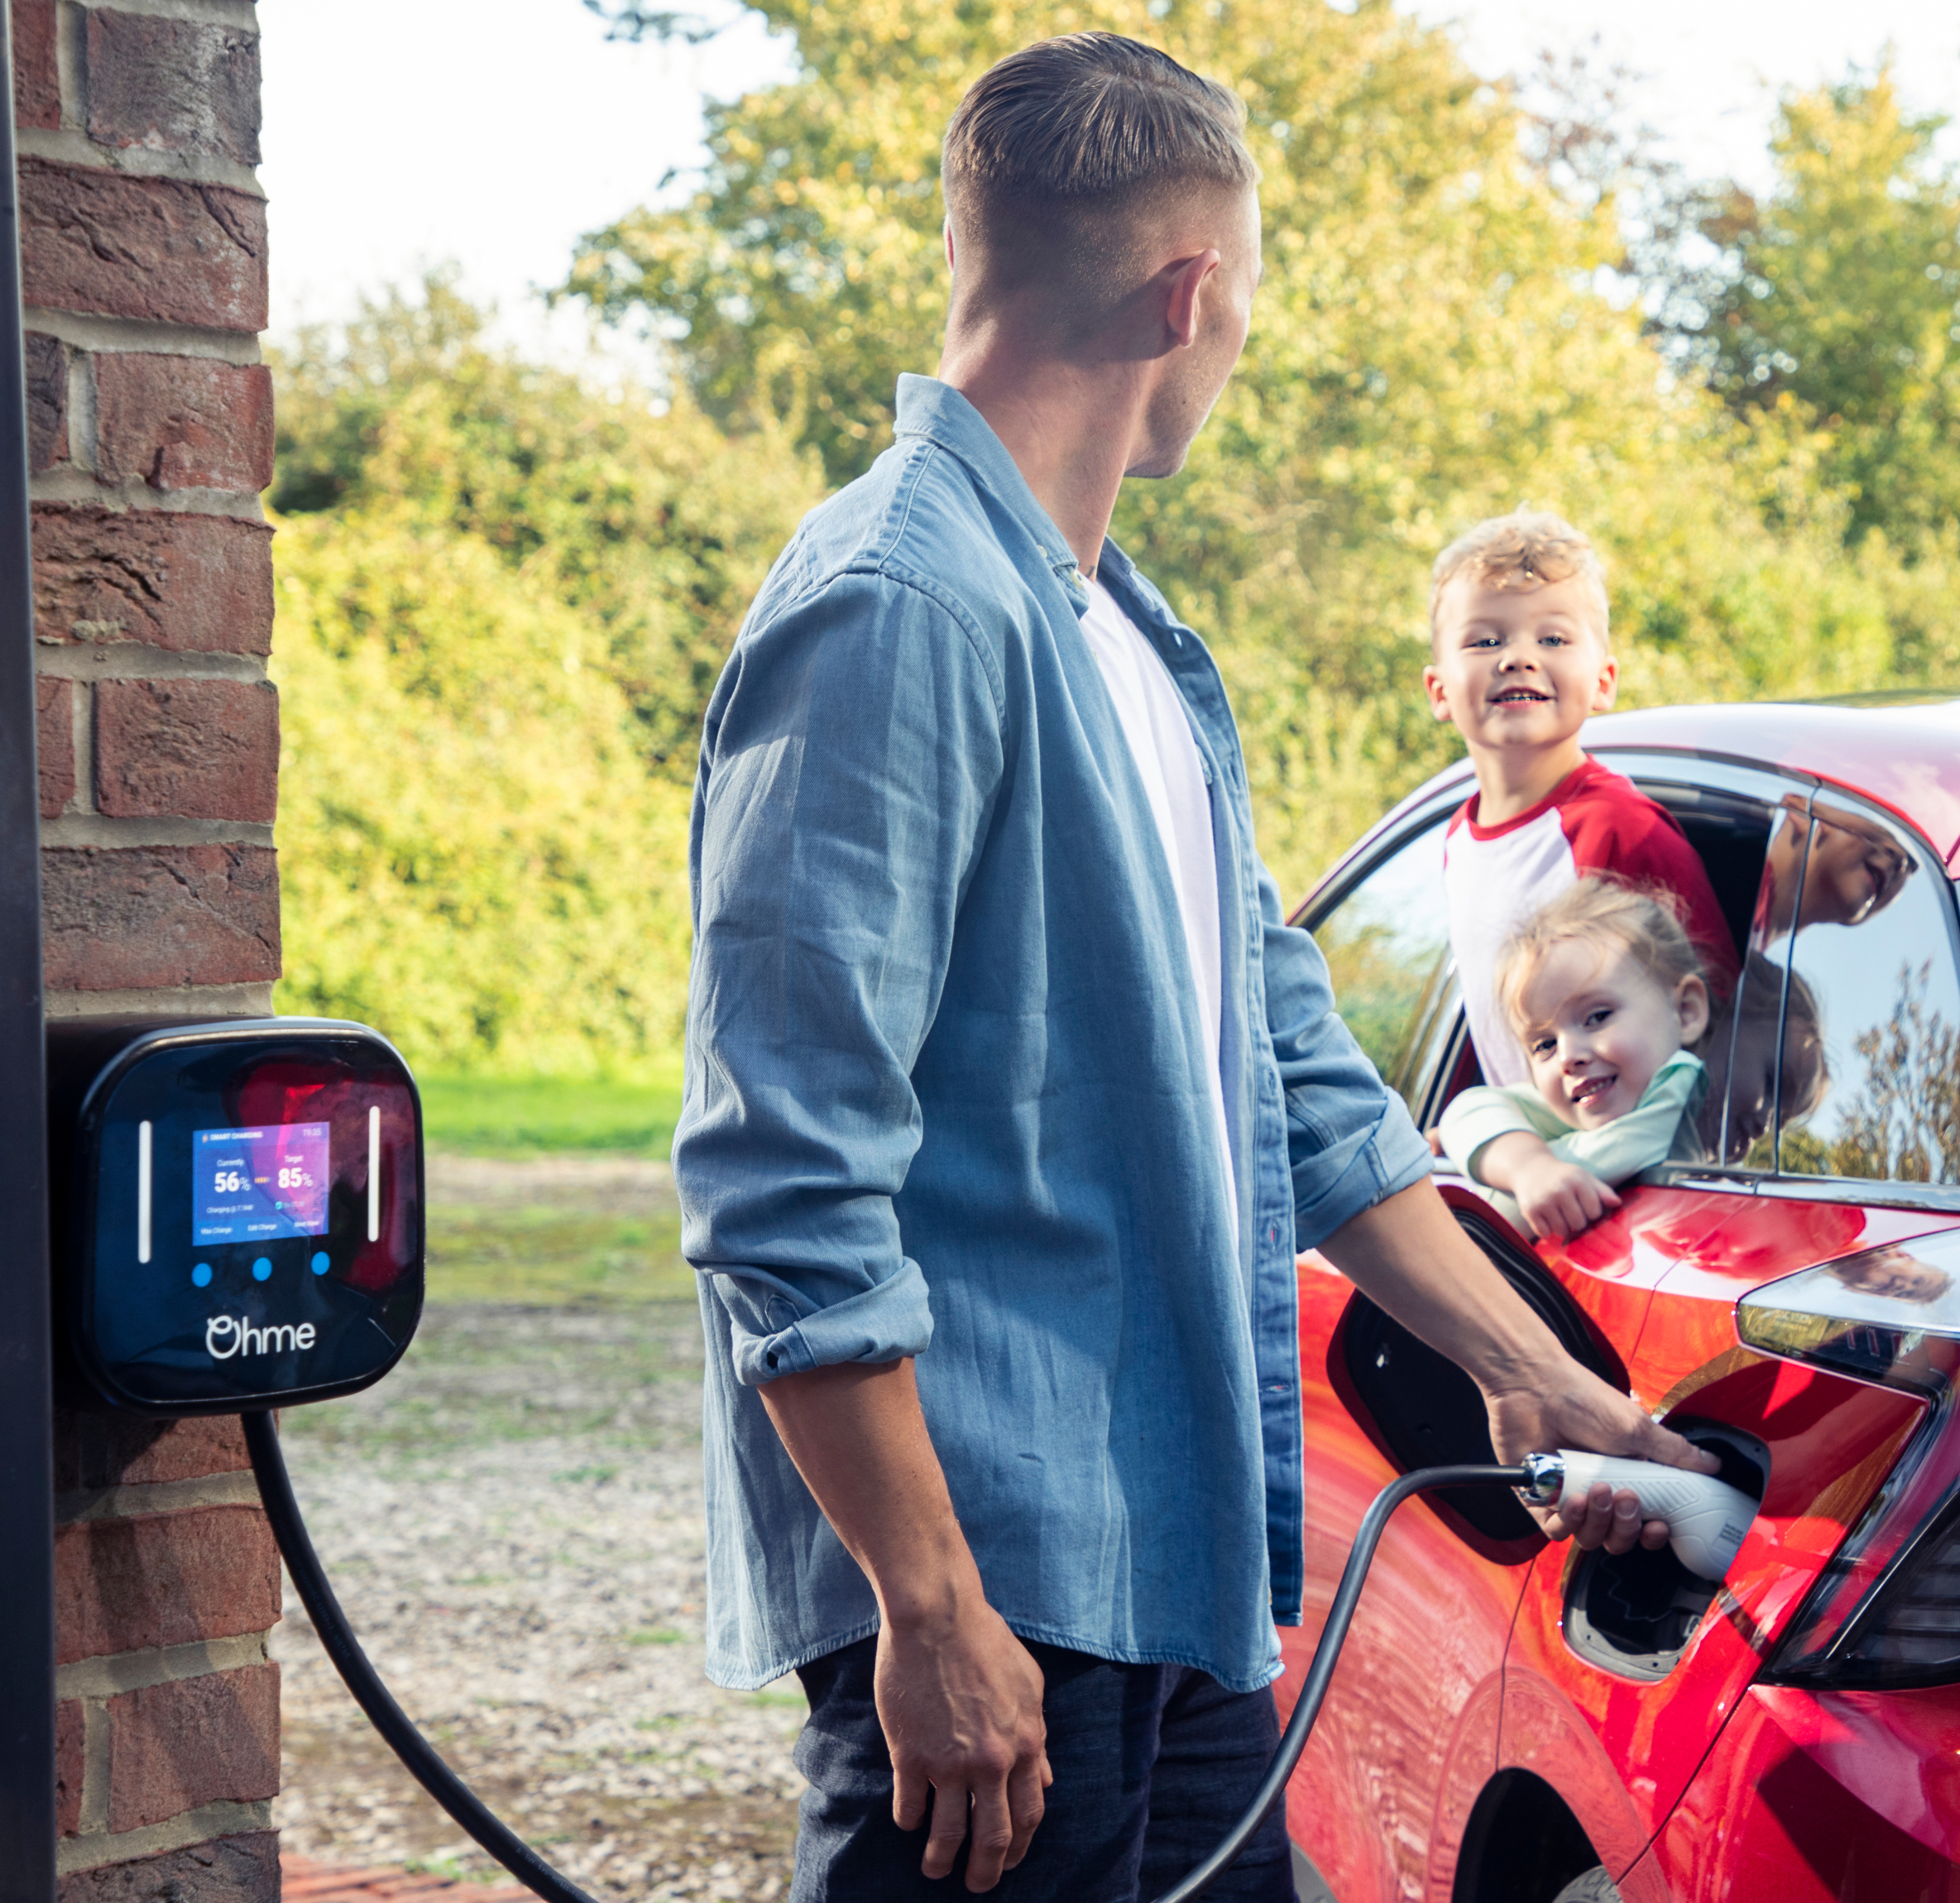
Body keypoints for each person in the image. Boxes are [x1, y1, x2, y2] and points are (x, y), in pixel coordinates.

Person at [671, 35, 1712, 1903]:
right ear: (1190, 292)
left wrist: (1536, 1369)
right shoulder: (892, 612)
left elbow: (1294, 1070)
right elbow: (782, 1170)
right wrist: (927, 1603)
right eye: (1238, 316)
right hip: (999, 1596)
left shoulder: (1132, 636)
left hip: (1181, 1562)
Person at [1420, 513, 1740, 1088]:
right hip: (1526, 1171)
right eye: (1485, 639)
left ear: (1603, 682)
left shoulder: (1623, 830)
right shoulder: (1458, 843)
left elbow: (1716, 1024)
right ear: (1439, 691)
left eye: (1553, 639)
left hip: (1617, 1170)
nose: (1517, 656)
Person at [1435, 875, 1712, 1239]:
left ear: (1686, 1011)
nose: (1568, 1057)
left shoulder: (1688, 1090)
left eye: (1597, 1017)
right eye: (1544, 1045)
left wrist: (1504, 1161)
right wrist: (1528, 1166)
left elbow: (1500, 1210)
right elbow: (1467, 1110)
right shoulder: (1568, 1107)